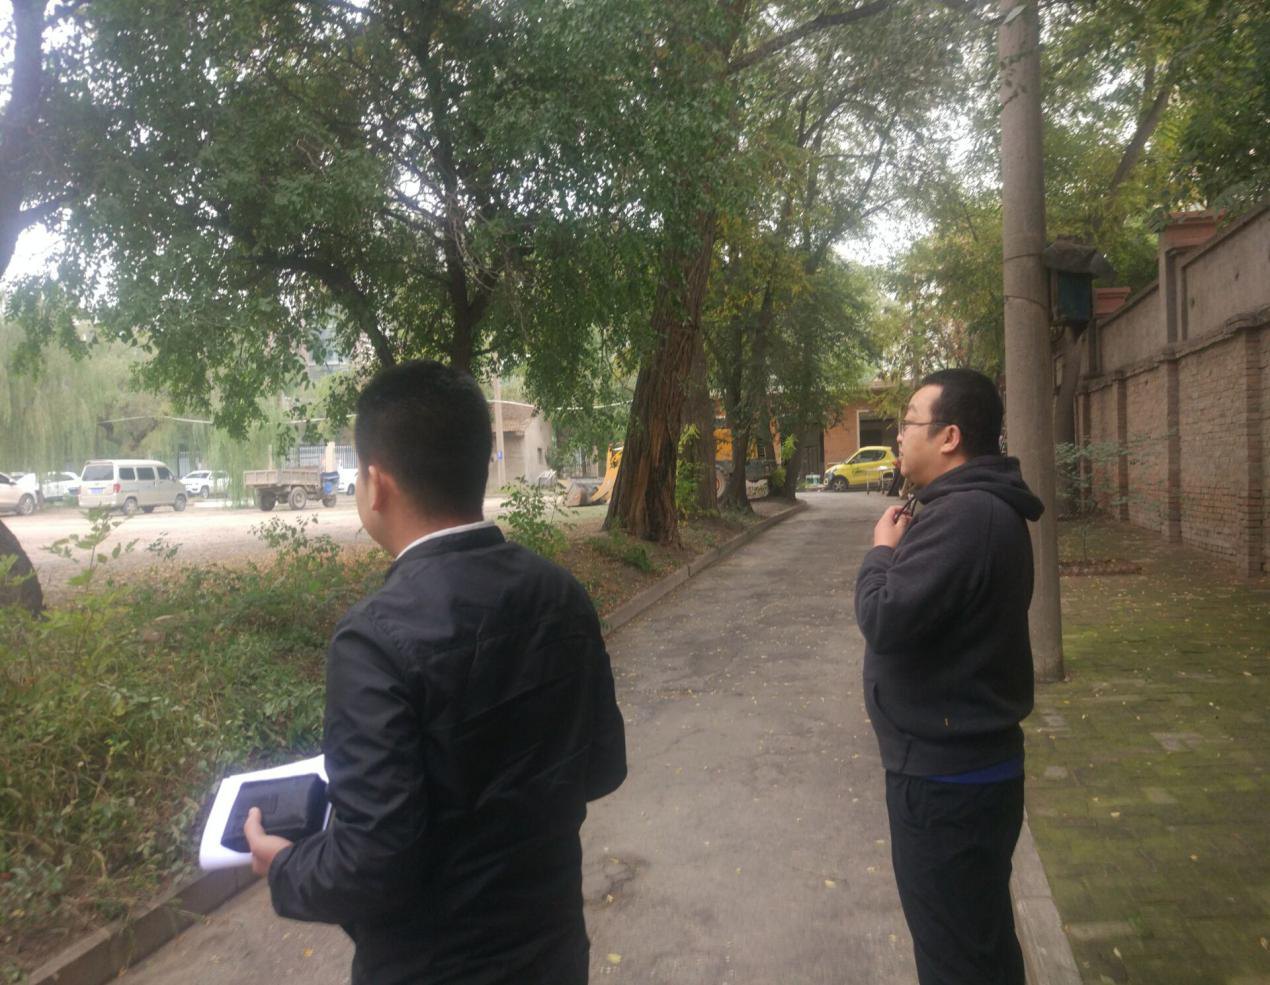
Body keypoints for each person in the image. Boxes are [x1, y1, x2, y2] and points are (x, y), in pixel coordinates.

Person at [244, 360, 627, 985]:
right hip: (552, 954)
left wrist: (285, 867)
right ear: (479, 466)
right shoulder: (562, 596)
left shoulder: (372, 641)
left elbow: (370, 863)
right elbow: (603, 766)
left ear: (376, 484)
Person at [854, 368, 1042, 985]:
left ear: (950, 437)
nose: (899, 434)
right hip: (960, 774)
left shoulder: (966, 516)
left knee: (955, 959)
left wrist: (882, 552)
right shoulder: (968, 510)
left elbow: (884, 618)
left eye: (909, 421)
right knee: (977, 945)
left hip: (948, 788)